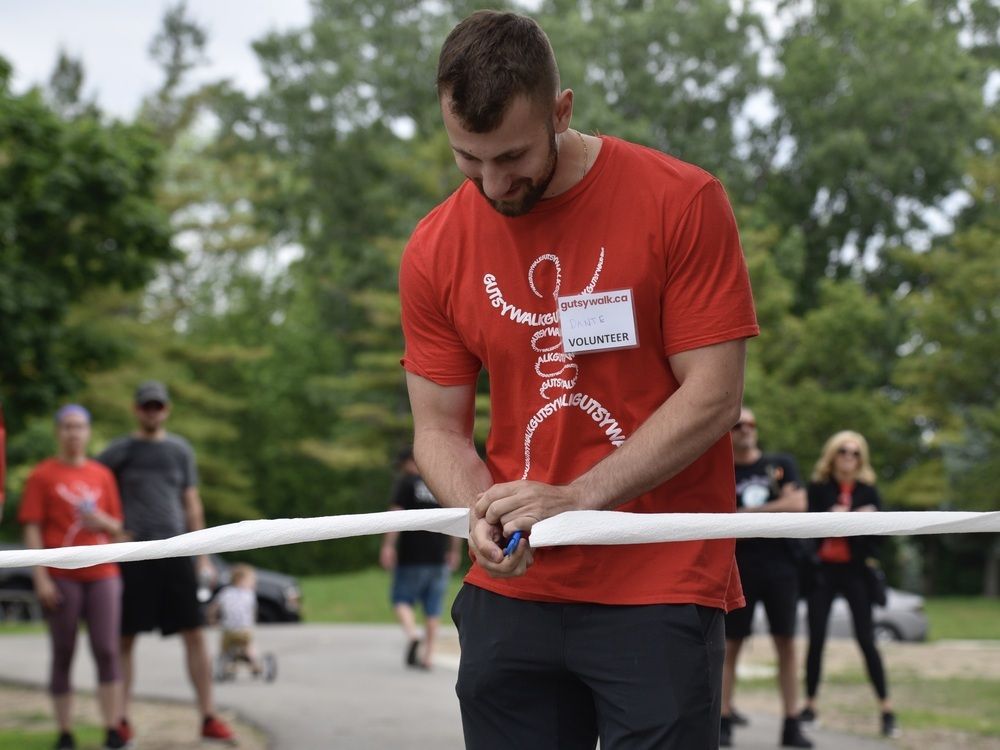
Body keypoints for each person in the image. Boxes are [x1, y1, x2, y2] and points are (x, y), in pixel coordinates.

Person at [399, 11, 758, 748]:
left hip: (657, 584)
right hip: (514, 591)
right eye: (469, 158)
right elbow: (436, 430)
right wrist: (483, 511)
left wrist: (576, 498)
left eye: (512, 156)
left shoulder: (680, 201)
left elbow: (715, 395)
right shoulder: (435, 248)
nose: (494, 184)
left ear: (561, 111)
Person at [97, 381, 235, 745]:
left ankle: (208, 716)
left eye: (158, 406)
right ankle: (120, 719)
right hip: (133, 554)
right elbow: (92, 489)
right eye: (146, 406)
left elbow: (192, 502)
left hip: (176, 551)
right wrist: (111, 531)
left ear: (167, 410)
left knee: (194, 634)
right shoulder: (118, 451)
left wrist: (202, 553)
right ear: (136, 409)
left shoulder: (179, 450)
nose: (152, 412)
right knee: (125, 638)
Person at [18, 405, 128, 750]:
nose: (73, 433)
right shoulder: (42, 475)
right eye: (67, 427)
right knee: (64, 650)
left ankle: (112, 728)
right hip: (61, 574)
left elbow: (120, 530)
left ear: (88, 432)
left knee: (107, 649)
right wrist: (41, 578)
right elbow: (32, 527)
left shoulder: (102, 475)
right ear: (58, 432)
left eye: (79, 427)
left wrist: (103, 522)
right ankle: (65, 733)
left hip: (103, 572)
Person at [721, 407, 812, 747]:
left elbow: (799, 503)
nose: (745, 429)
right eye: (737, 424)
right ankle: (724, 717)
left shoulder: (779, 463)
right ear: (726, 432)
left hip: (781, 567)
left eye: (750, 424)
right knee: (730, 645)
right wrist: (772, 511)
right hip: (738, 566)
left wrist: (744, 516)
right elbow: (717, 515)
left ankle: (791, 721)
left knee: (786, 643)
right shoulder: (722, 470)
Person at [800, 430, 899, 739]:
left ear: (861, 458)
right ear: (833, 454)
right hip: (823, 571)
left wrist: (861, 519)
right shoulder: (818, 488)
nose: (849, 457)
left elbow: (878, 539)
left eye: (855, 452)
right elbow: (805, 529)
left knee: (866, 640)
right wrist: (832, 517)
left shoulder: (868, 490)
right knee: (815, 639)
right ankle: (810, 705)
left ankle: (886, 710)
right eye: (843, 451)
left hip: (855, 571)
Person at [379, 447, 463, 670]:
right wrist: (454, 551)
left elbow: (395, 516)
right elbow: (455, 520)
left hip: (411, 556)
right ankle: (428, 656)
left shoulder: (407, 483)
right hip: (438, 557)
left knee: (401, 599)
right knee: (433, 608)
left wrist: (388, 546)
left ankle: (413, 634)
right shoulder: (441, 486)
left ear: (410, 463)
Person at [209, 564, 263, 677]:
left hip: (228, 630)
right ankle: (254, 663)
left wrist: (212, 620)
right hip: (244, 630)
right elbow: (252, 612)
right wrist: (252, 622)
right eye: (252, 580)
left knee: (225, 648)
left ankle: (228, 665)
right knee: (248, 646)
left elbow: (213, 608)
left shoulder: (225, 592)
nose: (254, 583)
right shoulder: (249, 594)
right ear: (241, 580)